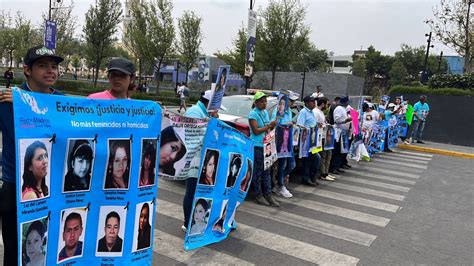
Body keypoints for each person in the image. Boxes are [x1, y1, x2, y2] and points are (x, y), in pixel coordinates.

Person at [0, 45, 63, 265]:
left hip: (51, 190)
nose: (50, 71)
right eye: (42, 66)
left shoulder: (63, 103)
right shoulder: (9, 101)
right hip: (14, 188)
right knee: (15, 249)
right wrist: (21, 104)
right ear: (27, 69)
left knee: (46, 247)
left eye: (54, 66)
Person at [182, 90, 217, 232]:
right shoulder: (194, 112)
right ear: (207, 102)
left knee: (199, 192)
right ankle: (187, 222)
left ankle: (198, 221)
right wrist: (210, 122)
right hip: (193, 160)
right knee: (191, 192)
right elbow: (194, 135)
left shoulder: (205, 113)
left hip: (202, 159)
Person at [248, 91, 279, 207]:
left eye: (265, 101)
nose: (264, 103)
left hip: (267, 145)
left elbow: (267, 129)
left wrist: (272, 126)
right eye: (261, 102)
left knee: (267, 171)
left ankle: (268, 194)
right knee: (258, 171)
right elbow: (256, 131)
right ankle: (258, 194)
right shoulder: (253, 114)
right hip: (257, 145)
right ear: (256, 103)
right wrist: (268, 126)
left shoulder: (265, 112)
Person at [297, 95, 320, 186]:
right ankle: (306, 178)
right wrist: (306, 129)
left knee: (316, 158)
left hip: (313, 141)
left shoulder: (311, 112)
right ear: (306, 103)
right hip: (306, 141)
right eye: (312, 101)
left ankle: (312, 176)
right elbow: (300, 125)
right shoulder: (303, 112)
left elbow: (312, 123)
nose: (314, 103)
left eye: (314, 101)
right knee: (308, 160)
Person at [313, 97, 335, 181]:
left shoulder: (321, 112)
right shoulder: (316, 112)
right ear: (322, 104)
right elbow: (315, 124)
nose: (327, 106)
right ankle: (322, 173)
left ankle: (326, 172)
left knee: (328, 155)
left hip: (325, 136)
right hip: (319, 137)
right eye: (327, 104)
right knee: (323, 156)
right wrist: (322, 125)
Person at [329, 96, 352, 175]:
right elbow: (337, 120)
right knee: (337, 151)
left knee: (340, 151)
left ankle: (337, 166)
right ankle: (333, 167)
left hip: (343, 133)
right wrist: (346, 120)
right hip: (338, 133)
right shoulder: (339, 109)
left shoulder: (343, 109)